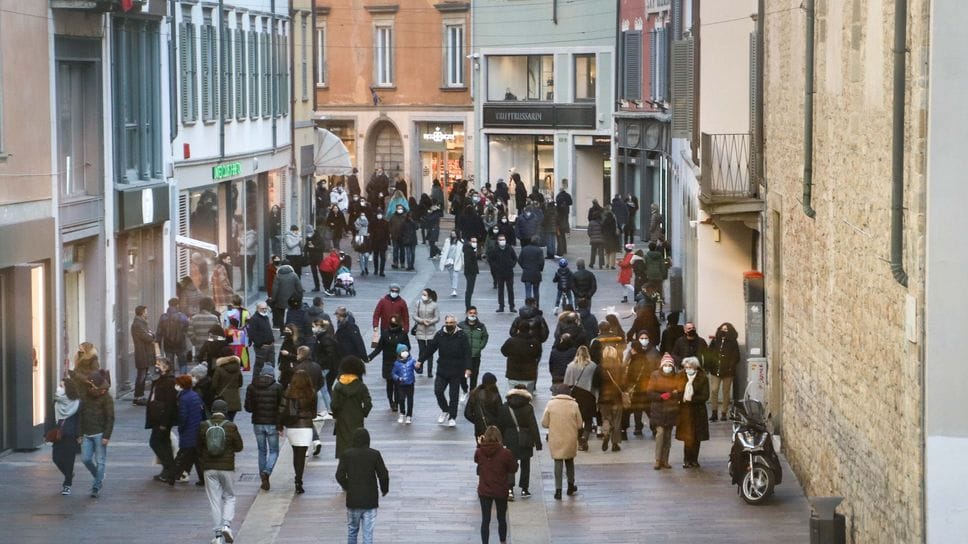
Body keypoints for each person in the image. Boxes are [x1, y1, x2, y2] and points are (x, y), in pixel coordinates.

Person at [198, 399, 243, 544]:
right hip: (227, 468)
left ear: (212, 411)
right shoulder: (231, 426)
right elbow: (239, 446)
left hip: (209, 468)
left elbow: (198, 447)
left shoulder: (204, 425)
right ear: (225, 411)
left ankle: (217, 536)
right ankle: (226, 525)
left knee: (214, 501)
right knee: (229, 496)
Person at [336, 428, 390, 544]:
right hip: (370, 499)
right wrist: (384, 489)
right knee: (368, 533)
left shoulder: (347, 455)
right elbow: (383, 474)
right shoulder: (374, 454)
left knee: (352, 531)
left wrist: (347, 486)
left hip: (353, 499)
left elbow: (339, 475)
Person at [420, 315, 473, 427]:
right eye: (447, 322)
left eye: (451, 323)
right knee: (438, 391)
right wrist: (420, 360)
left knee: (454, 396)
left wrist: (468, 368)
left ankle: (452, 417)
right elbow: (430, 349)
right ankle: (445, 410)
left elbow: (467, 353)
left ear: (455, 323)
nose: (449, 325)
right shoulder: (439, 335)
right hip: (442, 369)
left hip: (456, 370)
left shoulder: (461, 336)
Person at [475, 426, 518, 544]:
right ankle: (503, 541)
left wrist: (480, 444)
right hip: (500, 489)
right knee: (501, 518)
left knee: (485, 520)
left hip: (484, 490)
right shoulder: (505, 453)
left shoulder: (479, 451)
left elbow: (477, 460)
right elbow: (514, 468)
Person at [498, 385, 542, 500]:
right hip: (525, 438)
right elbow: (533, 425)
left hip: (509, 438)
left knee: (509, 465)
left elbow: (500, 424)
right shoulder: (528, 407)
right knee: (525, 465)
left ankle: (510, 489)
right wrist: (538, 443)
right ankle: (524, 489)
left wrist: (501, 440)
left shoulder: (505, 407)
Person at [75, 369, 114, 498]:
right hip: (86, 433)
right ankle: (99, 476)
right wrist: (80, 434)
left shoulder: (106, 397)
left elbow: (110, 417)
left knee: (100, 461)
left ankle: (96, 486)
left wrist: (106, 436)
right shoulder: (85, 396)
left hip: (100, 434)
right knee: (85, 459)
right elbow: (80, 415)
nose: (103, 391)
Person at [541, 383, 582, 500]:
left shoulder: (551, 404)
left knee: (558, 462)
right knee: (570, 461)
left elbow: (544, 423)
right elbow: (579, 424)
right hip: (570, 437)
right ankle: (570, 485)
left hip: (556, 438)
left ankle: (558, 490)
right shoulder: (574, 405)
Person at [277, 370, 316, 493]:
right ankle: (299, 479)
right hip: (306, 426)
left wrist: (280, 425)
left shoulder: (288, 392)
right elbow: (314, 413)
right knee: (302, 454)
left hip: (293, 426)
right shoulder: (311, 393)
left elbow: (282, 409)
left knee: (296, 453)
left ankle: (297, 478)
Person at [245, 365, 283, 491]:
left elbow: (248, 408)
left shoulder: (251, 387)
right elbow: (281, 408)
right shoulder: (277, 387)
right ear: (272, 375)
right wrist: (281, 424)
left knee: (262, 451)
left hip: (257, 422)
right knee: (274, 451)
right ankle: (267, 471)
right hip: (272, 423)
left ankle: (262, 476)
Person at [332, 356, 373, 458]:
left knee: (343, 443)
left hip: (342, 418)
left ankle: (343, 467)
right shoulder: (361, 386)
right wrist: (363, 413)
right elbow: (368, 403)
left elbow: (334, 404)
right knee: (357, 441)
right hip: (357, 417)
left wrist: (336, 414)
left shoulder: (338, 386)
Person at [167, 374, 205, 486]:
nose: (176, 385)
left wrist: (181, 428)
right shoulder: (194, 395)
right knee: (197, 457)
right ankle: (202, 479)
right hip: (196, 429)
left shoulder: (183, 398)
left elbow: (183, 416)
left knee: (181, 456)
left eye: (177, 383)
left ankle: (172, 476)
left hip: (189, 431)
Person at [367, 315, 410, 412]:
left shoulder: (403, 334)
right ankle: (391, 401)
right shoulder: (385, 334)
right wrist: (370, 357)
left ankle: (397, 401)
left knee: (398, 384)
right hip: (387, 362)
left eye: (395, 323)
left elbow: (408, 347)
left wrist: (404, 355)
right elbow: (379, 348)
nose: (393, 325)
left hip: (399, 362)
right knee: (390, 383)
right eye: (391, 323)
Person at [647, 354, 682, 470]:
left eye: (670, 365)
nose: (668, 367)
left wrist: (674, 394)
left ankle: (665, 460)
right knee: (660, 434)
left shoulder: (676, 377)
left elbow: (679, 391)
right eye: (665, 365)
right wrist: (660, 396)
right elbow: (650, 392)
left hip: (671, 410)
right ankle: (658, 459)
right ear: (662, 365)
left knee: (667, 437)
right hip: (658, 410)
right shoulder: (655, 375)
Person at [624, 330, 661, 437]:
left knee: (646, 408)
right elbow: (626, 365)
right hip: (639, 387)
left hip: (647, 385)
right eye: (641, 338)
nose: (643, 340)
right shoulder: (633, 353)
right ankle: (639, 427)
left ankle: (651, 427)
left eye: (645, 338)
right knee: (639, 409)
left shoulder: (653, 351)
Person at [146, 357, 177, 484]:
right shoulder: (159, 380)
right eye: (156, 364)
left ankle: (170, 468)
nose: (156, 366)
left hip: (162, 419)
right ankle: (168, 469)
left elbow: (170, 404)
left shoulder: (169, 382)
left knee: (156, 442)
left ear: (166, 367)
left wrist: (165, 422)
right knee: (164, 444)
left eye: (159, 364)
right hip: (156, 418)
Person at [562, 345, 598, 451]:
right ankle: (584, 438)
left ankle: (579, 439)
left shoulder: (571, 366)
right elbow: (595, 384)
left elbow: (567, 383)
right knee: (588, 419)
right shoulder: (592, 366)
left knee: (576, 419)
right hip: (589, 396)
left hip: (575, 396)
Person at [676, 357, 710, 468]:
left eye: (690, 367)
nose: (687, 369)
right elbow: (677, 391)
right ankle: (687, 459)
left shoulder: (703, 378)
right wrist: (682, 397)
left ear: (695, 367)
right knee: (687, 436)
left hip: (698, 410)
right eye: (686, 367)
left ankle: (694, 459)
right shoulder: (680, 376)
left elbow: (705, 396)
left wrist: (691, 399)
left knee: (697, 436)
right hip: (685, 410)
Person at [294, 346, 325, 456]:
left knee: (302, 422)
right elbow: (321, 382)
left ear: (301, 354)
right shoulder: (316, 366)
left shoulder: (298, 368)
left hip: (301, 398)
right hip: (313, 397)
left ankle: (305, 446)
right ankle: (315, 440)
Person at [706, 322, 740, 422]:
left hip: (728, 371)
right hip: (715, 369)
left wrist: (730, 365)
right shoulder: (715, 341)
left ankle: (724, 412)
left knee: (726, 392)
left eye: (726, 329)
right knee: (714, 390)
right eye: (722, 329)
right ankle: (714, 412)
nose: (724, 331)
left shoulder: (733, 342)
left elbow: (736, 356)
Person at [51, 379, 80, 496]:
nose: (59, 388)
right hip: (58, 434)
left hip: (71, 435)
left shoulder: (77, 402)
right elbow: (50, 417)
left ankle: (67, 484)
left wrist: (79, 435)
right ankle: (69, 474)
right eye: (59, 385)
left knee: (69, 460)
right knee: (56, 458)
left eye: (62, 386)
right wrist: (47, 433)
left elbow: (79, 420)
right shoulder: (57, 401)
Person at [597, 346, 626, 453]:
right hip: (616, 398)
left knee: (606, 419)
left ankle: (606, 433)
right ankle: (615, 444)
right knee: (617, 421)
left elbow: (595, 384)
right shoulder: (619, 367)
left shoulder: (600, 367)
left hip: (604, 399)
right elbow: (624, 383)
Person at [500, 322, 542, 395]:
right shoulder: (535, 342)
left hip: (513, 374)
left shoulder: (511, 341)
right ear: (529, 330)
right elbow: (538, 354)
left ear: (518, 329)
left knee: (512, 395)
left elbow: (504, 351)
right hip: (529, 375)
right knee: (527, 396)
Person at [458, 306, 489, 393]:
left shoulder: (481, 326)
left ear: (477, 314)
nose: (472, 314)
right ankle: (465, 389)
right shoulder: (461, 325)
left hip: (475, 355)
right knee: (462, 376)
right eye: (471, 313)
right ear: (467, 314)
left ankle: (472, 393)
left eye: (474, 313)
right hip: (463, 356)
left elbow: (485, 337)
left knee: (474, 376)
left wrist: (480, 346)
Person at [465, 372, 503, 440]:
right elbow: (501, 414)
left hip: (479, 429)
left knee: (481, 448)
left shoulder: (474, 394)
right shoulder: (495, 396)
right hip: (493, 429)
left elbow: (467, 414)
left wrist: (477, 421)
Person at [157, 298, 190, 375]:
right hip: (181, 344)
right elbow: (187, 330)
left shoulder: (163, 317)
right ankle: (183, 382)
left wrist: (158, 348)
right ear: (177, 305)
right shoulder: (183, 317)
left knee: (169, 365)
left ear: (169, 305)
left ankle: (170, 383)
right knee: (183, 364)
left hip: (168, 345)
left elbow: (159, 333)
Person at [130, 305, 155, 406]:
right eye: (146, 311)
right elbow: (147, 337)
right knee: (141, 376)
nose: (147, 313)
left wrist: (150, 334)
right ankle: (137, 397)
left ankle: (140, 396)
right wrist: (152, 335)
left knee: (143, 376)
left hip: (145, 352)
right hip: (142, 353)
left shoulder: (141, 323)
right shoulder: (138, 324)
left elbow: (149, 334)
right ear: (141, 312)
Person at [412, 289, 440, 377]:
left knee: (430, 351)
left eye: (425, 294)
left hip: (431, 331)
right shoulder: (418, 303)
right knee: (422, 350)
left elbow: (437, 318)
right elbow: (414, 315)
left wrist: (430, 322)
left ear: (429, 296)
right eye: (422, 294)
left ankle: (429, 371)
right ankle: (420, 367)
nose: (423, 296)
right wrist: (422, 321)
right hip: (420, 330)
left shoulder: (434, 305)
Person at [487, 234, 518, 313]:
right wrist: (496, 267)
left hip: (509, 272)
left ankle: (511, 306)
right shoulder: (495, 249)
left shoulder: (509, 248)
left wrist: (512, 264)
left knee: (510, 290)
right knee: (500, 290)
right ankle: (501, 306)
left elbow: (515, 258)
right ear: (498, 241)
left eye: (503, 239)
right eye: (500, 240)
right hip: (500, 273)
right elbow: (490, 259)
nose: (502, 241)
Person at [269, 260, 304, 329]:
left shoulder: (278, 275)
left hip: (280, 299)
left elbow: (274, 289)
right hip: (292, 299)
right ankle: (291, 329)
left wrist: (273, 299)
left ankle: (282, 331)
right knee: (292, 314)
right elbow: (299, 288)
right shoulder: (294, 275)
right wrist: (300, 298)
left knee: (281, 315)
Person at [391, 345, 417, 424]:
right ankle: (402, 413)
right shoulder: (396, 363)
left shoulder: (412, 361)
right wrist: (398, 378)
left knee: (410, 400)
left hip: (410, 383)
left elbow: (418, 369)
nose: (405, 352)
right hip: (401, 384)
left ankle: (409, 415)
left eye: (406, 351)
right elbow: (393, 373)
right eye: (402, 351)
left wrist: (418, 367)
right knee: (401, 399)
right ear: (399, 353)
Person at [212, 355, 243, 421]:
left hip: (222, 398)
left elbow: (214, 385)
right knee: (231, 420)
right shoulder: (237, 369)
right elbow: (240, 384)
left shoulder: (219, 369)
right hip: (235, 398)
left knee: (223, 420)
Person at [248, 302, 275, 376]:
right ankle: (255, 381)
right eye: (262, 308)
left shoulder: (265, 316)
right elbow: (252, 334)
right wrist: (260, 344)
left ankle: (270, 380)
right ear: (257, 309)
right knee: (259, 366)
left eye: (266, 308)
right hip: (262, 347)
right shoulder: (254, 319)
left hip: (270, 346)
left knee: (271, 365)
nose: (264, 310)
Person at [518, 235, 545, 307]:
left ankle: (528, 306)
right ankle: (536, 305)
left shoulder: (525, 249)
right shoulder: (539, 250)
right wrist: (540, 269)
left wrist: (524, 267)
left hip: (527, 272)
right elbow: (541, 262)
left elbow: (520, 260)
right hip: (536, 273)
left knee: (528, 291)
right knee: (536, 291)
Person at [439, 232, 464, 297]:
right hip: (449, 261)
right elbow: (444, 250)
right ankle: (453, 288)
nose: (453, 234)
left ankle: (454, 289)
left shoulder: (461, 241)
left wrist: (463, 261)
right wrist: (442, 258)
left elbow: (462, 252)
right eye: (452, 233)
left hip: (457, 261)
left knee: (455, 275)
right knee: (451, 275)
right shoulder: (447, 241)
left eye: (454, 233)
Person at [277, 324, 300, 389]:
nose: (286, 332)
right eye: (285, 330)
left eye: (288, 330)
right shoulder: (286, 340)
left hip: (291, 368)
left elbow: (298, 356)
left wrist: (288, 354)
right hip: (284, 367)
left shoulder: (295, 343)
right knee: (283, 384)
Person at [369, 210, 390, 276]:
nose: (379, 215)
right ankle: (376, 269)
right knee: (375, 256)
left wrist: (388, 242)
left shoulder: (385, 222)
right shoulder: (373, 222)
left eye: (380, 214)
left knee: (383, 257)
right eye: (378, 214)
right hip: (375, 242)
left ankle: (381, 271)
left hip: (383, 242)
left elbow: (387, 233)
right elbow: (370, 231)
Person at [462, 236, 481, 310]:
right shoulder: (469, 250)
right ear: (469, 242)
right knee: (469, 290)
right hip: (470, 273)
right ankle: (468, 306)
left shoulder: (471, 249)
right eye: (473, 241)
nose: (475, 243)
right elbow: (469, 262)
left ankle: (468, 305)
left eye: (475, 241)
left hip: (471, 272)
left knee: (470, 290)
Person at [601, 204, 620, 270]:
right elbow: (615, 228)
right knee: (613, 252)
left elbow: (602, 228)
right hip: (612, 237)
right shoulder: (613, 219)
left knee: (607, 251)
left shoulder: (604, 220)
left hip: (606, 237)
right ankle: (612, 265)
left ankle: (607, 263)